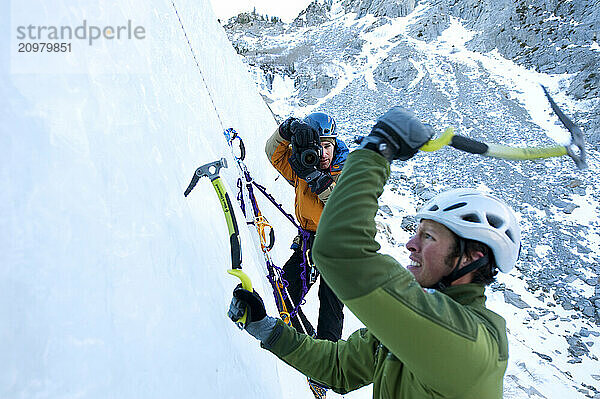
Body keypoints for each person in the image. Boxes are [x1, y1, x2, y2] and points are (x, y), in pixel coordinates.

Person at [229, 106, 521, 398]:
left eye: (428, 236)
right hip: (309, 241)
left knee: (330, 304)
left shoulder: (471, 340)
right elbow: (340, 368)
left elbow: (340, 249)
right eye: (417, 233)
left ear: (471, 257)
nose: (411, 245)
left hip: (320, 242)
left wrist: (379, 148)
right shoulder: (415, 320)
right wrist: (265, 328)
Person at [264, 112, 349, 395]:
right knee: (283, 291)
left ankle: (324, 368)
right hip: (309, 242)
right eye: (318, 145)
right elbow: (273, 154)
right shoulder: (301, 164)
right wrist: (286, 131)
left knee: (331, 307)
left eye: (328, 146)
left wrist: (319, 181)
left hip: (339, 247)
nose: (323, 153)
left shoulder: (346, 170)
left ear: (336, 145)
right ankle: (305, 340)